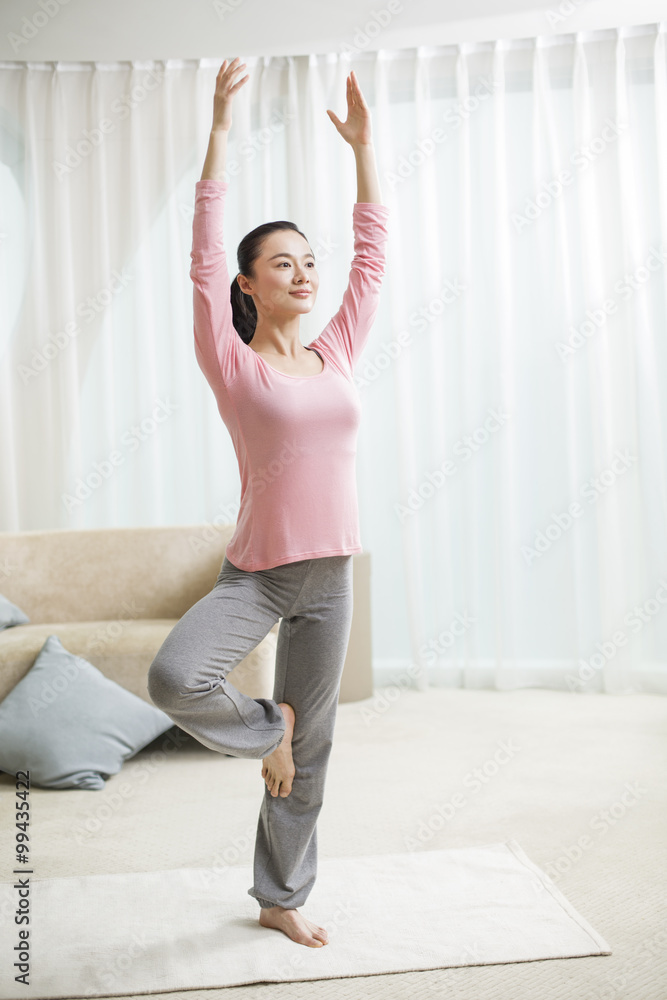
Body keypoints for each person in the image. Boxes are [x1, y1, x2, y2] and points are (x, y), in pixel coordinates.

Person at [147, 57, 389, 949]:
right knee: (176, 677)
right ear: (248, 284)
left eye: (307, 262)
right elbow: (204, 259)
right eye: (280, 262)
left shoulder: (337, 350)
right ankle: (263, 730)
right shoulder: (235, 363)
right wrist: (217, 130)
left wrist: (364, 151)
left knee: (316, 752)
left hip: (332, 573)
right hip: (257, 575)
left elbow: (371, 256)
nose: (302, 272)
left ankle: (279, 893)